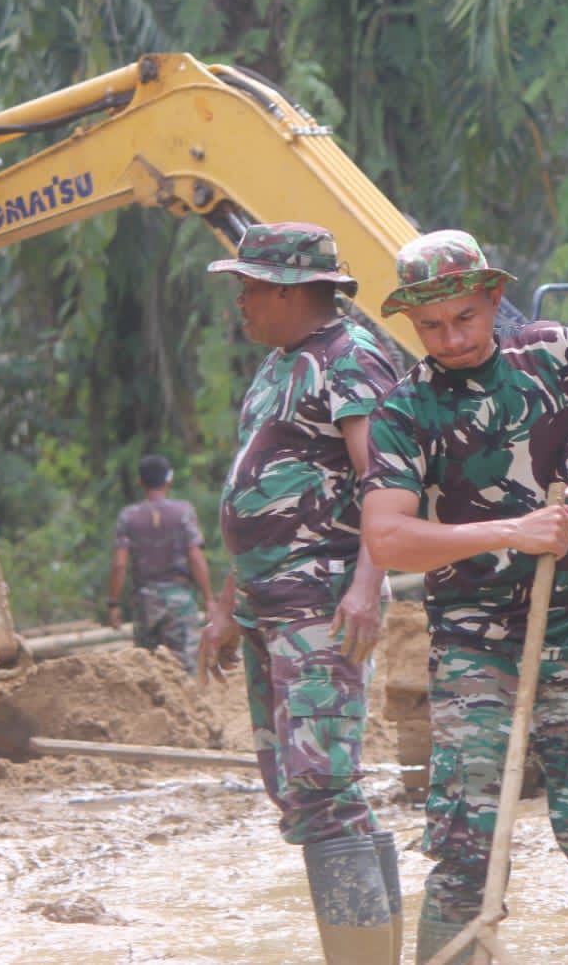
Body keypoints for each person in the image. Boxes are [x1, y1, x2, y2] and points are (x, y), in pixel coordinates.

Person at [361, 229, 568, 965]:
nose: (450, 339)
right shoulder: (405, 409)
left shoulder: (553, 356)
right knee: (464, 846)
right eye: (430, 327)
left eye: (464, 318)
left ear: (492, 299)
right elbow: (387, 537)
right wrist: (509, 529)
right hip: (473, 650)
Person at [199, 222, 402, 964]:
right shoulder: (282, 365)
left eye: (249, 287)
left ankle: (364, 959)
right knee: (302, 790)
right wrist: (225, 605)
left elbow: (386, 480)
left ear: (288, 289)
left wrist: (366, 589)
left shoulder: (349, 358)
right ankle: (372, 949)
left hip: (320, 606)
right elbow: (255, 486)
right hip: (267, 608)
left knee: (322, 786)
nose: (241, 303)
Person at [106, 454, 217, 673]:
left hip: (144, 601)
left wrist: (113, 604)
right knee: (186, 667)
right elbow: (195, 557)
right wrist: (209, 599)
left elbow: (119, 564)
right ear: (170, 480)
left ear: (140, 482)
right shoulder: (183, 512)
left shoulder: (128, 517)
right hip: (180, 600)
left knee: (149, 667)